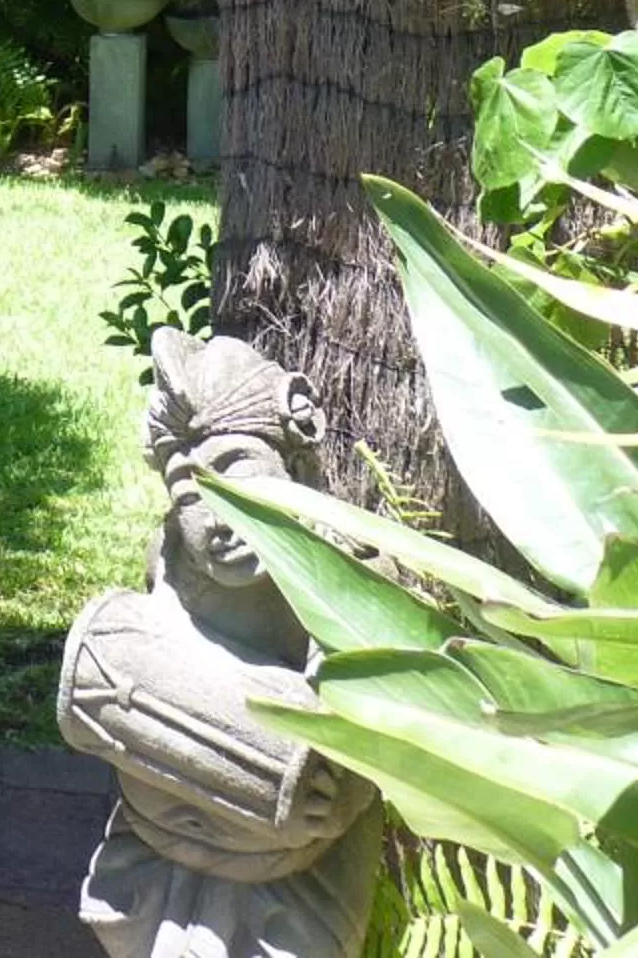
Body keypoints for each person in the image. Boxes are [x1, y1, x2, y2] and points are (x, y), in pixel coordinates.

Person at [57, 327, 381, 958]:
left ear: (291, 469)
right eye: (190, 494)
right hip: (162, 846)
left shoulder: (339, 577)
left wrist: (344, 793)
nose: (218, 520)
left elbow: (374, 725)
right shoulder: (171, 558)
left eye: (240, 477)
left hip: (289, 872)